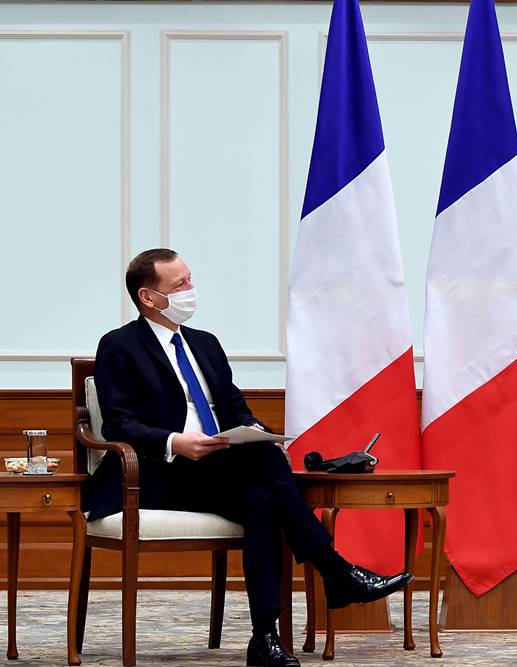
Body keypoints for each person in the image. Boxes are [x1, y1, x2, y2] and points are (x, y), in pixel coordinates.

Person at [91, 248, 412, 667]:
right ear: (148, 297)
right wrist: (175, 441)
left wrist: (254, 429)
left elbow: (234, 407)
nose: (191, 289)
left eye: (190, 279)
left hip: (217, 468)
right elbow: (118, 424)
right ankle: (336, 572)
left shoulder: (205, 344)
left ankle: (264, 636)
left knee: (261, 499)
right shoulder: (119, 346)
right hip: (157, 473)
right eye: (179, 284)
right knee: (268, 467)